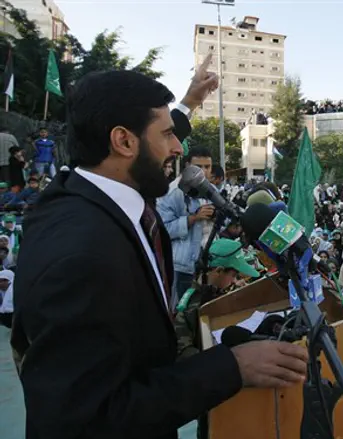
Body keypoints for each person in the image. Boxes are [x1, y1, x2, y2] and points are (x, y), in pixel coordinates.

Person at [11, 62, 309, 438]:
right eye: (168, 134)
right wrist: (231, 367)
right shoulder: (83, 256)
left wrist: (189, 102)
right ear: (123, 141)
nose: (178, 147)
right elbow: (89, 418)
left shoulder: (91, 188)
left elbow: (148, 143)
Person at [174, 238, 260, 359]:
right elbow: (183, 348)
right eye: (234, 276)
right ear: (219, 270)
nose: (235, 280)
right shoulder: (192, 304)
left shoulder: (215, 289)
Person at [157, 146, 217, 309]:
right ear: (187, 166)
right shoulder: (172, 193)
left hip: (209, 264)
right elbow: (164, 230)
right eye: (198, 167)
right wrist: (193, 218)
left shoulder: (212, 190)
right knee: (183, 313)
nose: (203, 172)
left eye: (207, 167)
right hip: (184, 267)